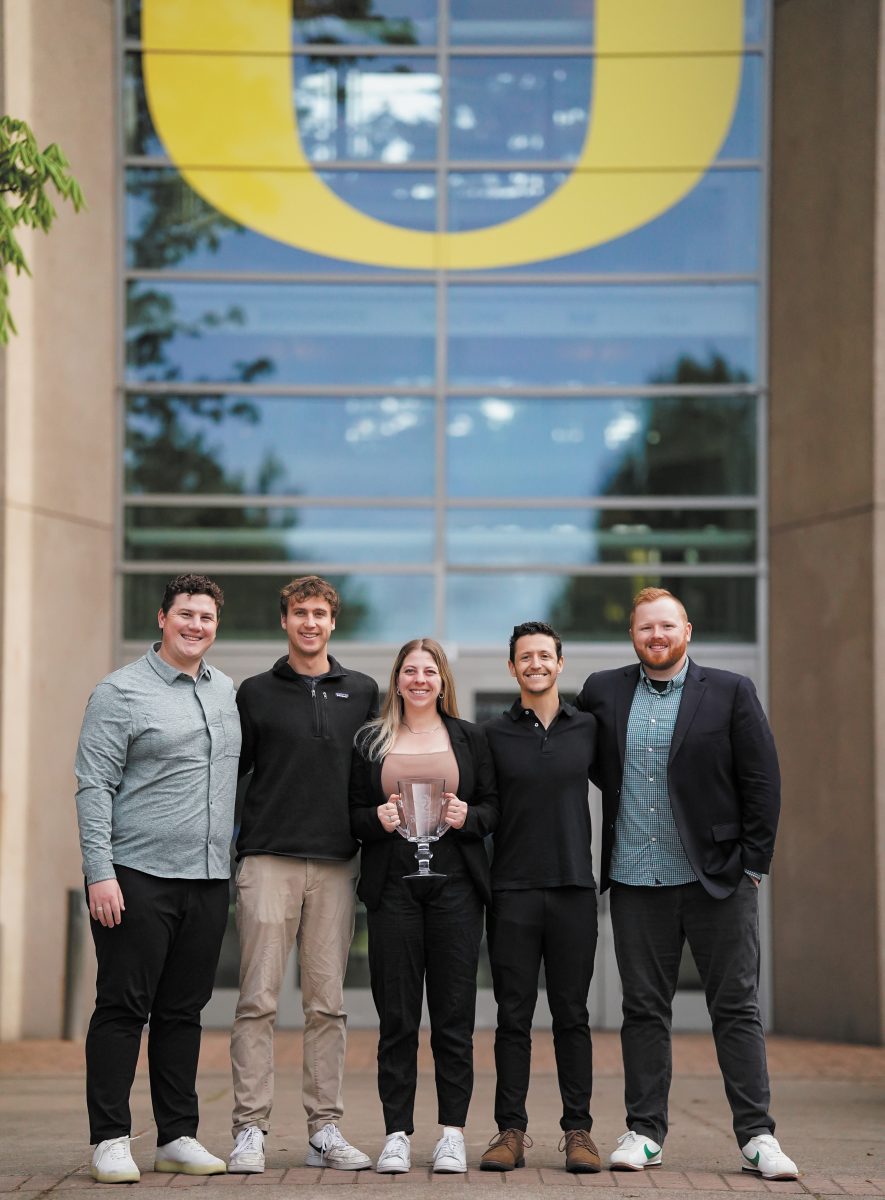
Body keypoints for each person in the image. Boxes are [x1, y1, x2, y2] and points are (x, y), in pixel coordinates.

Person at [575, 587, 798, 1180]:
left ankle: (758, 1137)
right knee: (643, 1010)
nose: (657, 635)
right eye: (646, 627)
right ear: (633, 635)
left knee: (736, 1008)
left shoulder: (728, 691)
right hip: (634, 881)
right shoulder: (604, 690)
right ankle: (644, 1132)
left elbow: (763, 780)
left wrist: (754, 865)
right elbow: (581, 758)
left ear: (687, 631)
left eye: (667, 626)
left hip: (717, 880)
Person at [75, 574, 238, 1184]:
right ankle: (110, 1138)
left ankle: (177, 1136)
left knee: (184, 1012)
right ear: (162, 618)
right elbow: (94, 788)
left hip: (206, 878)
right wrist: (100, 874)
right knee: (122, 1008)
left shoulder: (224, 692)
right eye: (186, 615)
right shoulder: (119, 693)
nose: (196, 626)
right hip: (135, 876)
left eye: (207, 617)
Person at [228, 577, 378, 1174]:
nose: (310, 622)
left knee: (327, 1005)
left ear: (333, 623)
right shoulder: (255, 693)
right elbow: (229, 776)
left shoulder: (363, 691)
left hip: (337, 865)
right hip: (268, 861)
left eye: (320, 613)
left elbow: (377, 774)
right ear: (284, 621)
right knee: (257, 1002)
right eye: (299, 613)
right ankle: (249, 1130)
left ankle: (324, 1130)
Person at [350, 638, 498, 1175]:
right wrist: (376, 820)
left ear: (442, 681)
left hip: (456, 886)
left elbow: (494, 808)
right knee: (397, 1018)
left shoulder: (471, 738)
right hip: (393, 887)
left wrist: (468, 815)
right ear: (397, 679)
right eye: (409, 670)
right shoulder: (371, 740)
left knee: (454, 1017)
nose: (419, 679)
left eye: (428, 671)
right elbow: (350, 814)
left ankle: (452, 1134)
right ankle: (396, 1133)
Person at [480, 621, 601, 1175]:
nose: (535, 663)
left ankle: (579, 1131)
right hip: (513, 891)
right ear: (512, 668)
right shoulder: (493, 735)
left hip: (575, 888)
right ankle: (511, 1131)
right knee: (513, 1016)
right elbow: (481, 808)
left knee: (572, 1015)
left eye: (544, 655)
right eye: (524, 657)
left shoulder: (589, 728)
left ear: (560, 663)